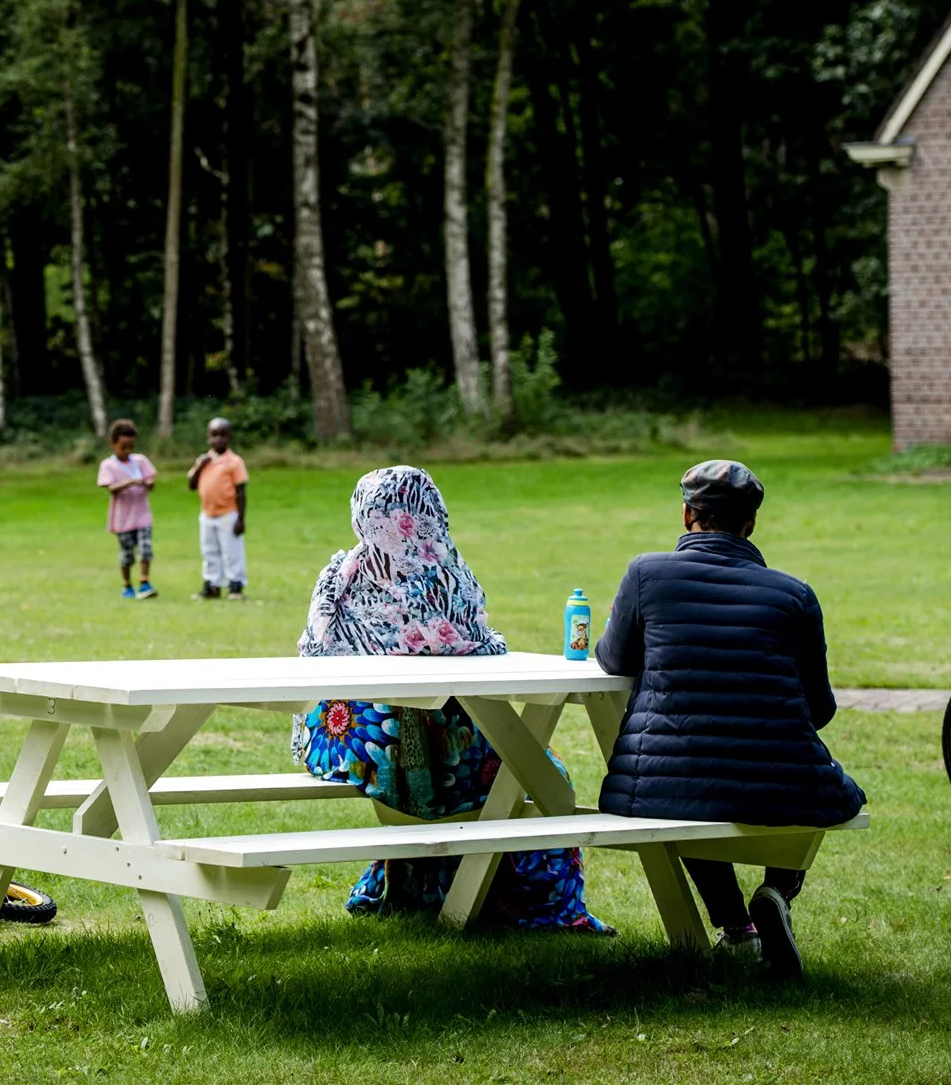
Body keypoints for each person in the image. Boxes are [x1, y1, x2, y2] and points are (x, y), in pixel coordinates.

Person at [292, 466, 609, 932]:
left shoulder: (340, 575)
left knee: (468, 776)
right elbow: (478, 643)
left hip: (347, 746)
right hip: (416, 750)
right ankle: (541, 907)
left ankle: (421, 890)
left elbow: (313, 649)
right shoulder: (440, 578)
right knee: (541, 773)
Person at [595, 459, 866, 979]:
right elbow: (821, 709)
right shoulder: (794, 595)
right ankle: (775, 892)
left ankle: (737, 928)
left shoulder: (646, 574)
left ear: (686, 513)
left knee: (690, 792)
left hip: (662, 782)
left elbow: (614, 660)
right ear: (751, 523)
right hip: (781, 782)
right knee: (825, 792)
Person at [186, 417, 248, 601]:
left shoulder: (234, 462)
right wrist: (199, 466)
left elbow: (241, 491)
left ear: (229, 438)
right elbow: (191, 485)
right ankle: (212, 585)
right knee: (209, 551)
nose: (218, 440)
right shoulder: (204, 461)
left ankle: (235, 585)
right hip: (207, 514)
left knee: (232, 552)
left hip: (228, 514)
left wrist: (241, 519)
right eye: (214, 435)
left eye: (223, 435)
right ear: (208, 438)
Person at [97, 418, 157, 599]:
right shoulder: (108, 465)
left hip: (142, 515)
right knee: (127, 555)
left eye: (131, 447)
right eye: (123, 447)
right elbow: (110, 488)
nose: (128, 451)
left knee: (146, 548)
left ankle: (144, 582)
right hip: (123, 519)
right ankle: (127, 585)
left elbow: (151, 481)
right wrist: (130, 482)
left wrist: (148, 483)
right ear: (112, 444)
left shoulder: (140, 461)